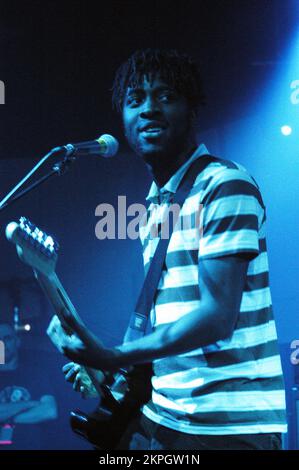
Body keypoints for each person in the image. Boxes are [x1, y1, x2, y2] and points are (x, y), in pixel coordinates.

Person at [48, 49, 287, 450]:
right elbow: (166, 324)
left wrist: (113, 356)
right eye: (135, 99)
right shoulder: (156, 205)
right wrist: (108, 373)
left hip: (225, 428)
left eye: (165, 96)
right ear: (123, 118)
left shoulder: (225, 185)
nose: (149, 109)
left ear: (192, 109)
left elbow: (215, 318)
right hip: (163, 417)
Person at [0, 322, 57, 449]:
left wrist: (6, 418)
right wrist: (30, 404)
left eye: (7, 338)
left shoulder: (35, 374)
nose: (2, 343)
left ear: (17, 342)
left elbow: (49, 411)